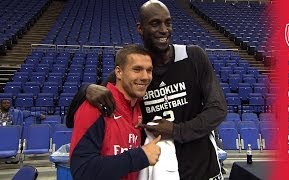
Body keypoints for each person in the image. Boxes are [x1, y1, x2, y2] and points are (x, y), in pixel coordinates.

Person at [67, 1, 227, 179]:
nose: (164, 30)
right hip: (158, 168)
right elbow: (75, 117)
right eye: (155, 23)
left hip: (202, 166)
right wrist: (86, 89)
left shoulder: (193, 56)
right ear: (140, 28)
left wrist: (176, 131)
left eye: (168, 23)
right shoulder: (135, 71)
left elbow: (218, 109)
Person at [69, 45, 161, 180]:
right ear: (118, 72)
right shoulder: (95, 106)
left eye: (149, 70)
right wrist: (141, 156)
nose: (145, 77)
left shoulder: (138, 107)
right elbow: (82, 171)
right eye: (137, 69)